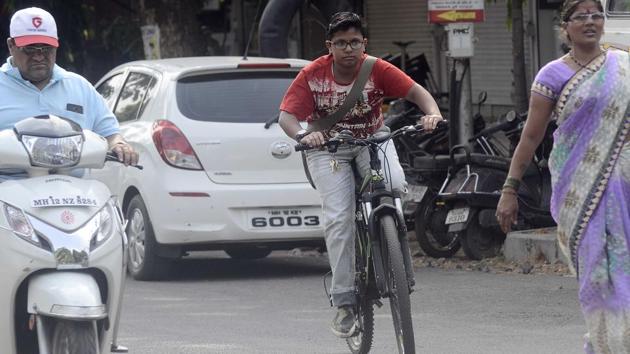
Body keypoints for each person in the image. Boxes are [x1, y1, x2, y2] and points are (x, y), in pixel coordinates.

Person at [278, 11, 444, 338]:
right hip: (329, 148)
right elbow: (287, 116)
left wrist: (433, 113)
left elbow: (417, 93)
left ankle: (398, 270)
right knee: (339, 217)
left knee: (394, 187)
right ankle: (344, 302)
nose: (349, 48)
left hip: (372, 139)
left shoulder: (376, 68)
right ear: (330, 47)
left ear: (364, 43)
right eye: (341, 43)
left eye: (355, 41)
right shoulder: (313, 75)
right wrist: (303, 136)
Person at [495, 1, 630, 352]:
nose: (590, 22)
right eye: (581, 17)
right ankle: (605, 343)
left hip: (626, 182)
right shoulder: (551, 75)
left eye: (597, 15)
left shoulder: (623, 64)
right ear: (565, 27)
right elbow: (531, 136)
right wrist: (510, 188)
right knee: (597, 273)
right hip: (580, 185)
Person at [0, 7, 138, 174]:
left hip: (75, 193)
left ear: (57, 45)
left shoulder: (79, 86)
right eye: (30, 48)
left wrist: (119, 145)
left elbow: (110, 133)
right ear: (11, 46)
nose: (38, 56)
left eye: (46, 48)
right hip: (8, 192)